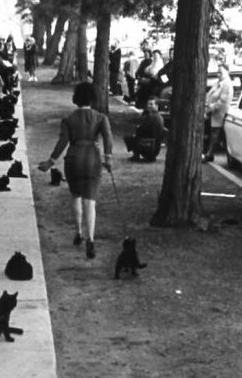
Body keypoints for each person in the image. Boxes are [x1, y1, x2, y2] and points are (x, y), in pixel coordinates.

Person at [38, 81, 113, 259]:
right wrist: (108, 159)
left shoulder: (69, 119)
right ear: (92, 99)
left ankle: (78, 231)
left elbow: (62, 142)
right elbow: (108, 138)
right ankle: (91, 239)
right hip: (93, 159)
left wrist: (51, 161)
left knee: (76, 197)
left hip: (73, 159)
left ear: (76, 99)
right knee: (90, 201)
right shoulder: (101, 118)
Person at [203, 64, 233, 162]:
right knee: (211, 134)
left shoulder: (227, 84)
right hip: (212, 111)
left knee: (215, 135)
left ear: (227, 72)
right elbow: (210, 96)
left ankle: (209, 153)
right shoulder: (218, 83)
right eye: (218, 72)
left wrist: (209, 109)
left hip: (219, 112)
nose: (218, 74)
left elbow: (222, 102)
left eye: (221, 72)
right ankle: (208, 153)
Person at [123, 97, 167, 161]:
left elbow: (142, 129)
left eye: (151, 104)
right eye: (148, 104)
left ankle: (136, 155)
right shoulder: (160, 117)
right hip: (157, 145)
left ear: (157, 105)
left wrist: (138, 130)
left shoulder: (151, 116)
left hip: (149, 144)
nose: (149, 106)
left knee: (129, 138)